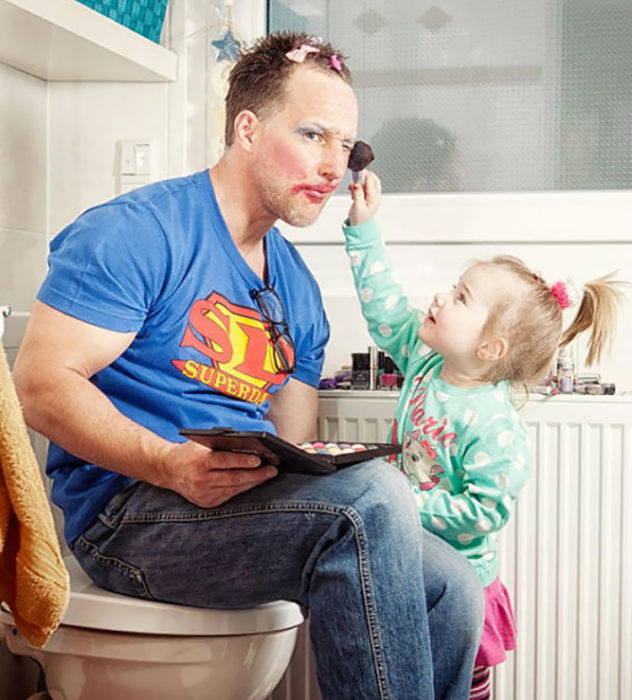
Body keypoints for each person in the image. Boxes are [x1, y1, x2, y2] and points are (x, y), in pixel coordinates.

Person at [13, 32, 484, 699]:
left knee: (453, 586)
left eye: (345, 147)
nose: (333, 166)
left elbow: (294, 446)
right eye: (314, 135)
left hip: (231, 511)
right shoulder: (138, 231)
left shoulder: (298, 292)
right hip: (128, 515)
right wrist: (168, 463)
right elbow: (38, 385)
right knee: (370, 504)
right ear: (248, 129)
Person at [344, 171, 624, 699]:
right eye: (454, 288)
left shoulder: (494, 425)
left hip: (459, 592)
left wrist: (405, 503)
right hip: (408, 563)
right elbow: (382, 309)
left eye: (461, 297)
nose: (441, 297)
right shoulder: (425, 360)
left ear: (491, 347)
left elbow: (483, 513)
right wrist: (364, 227)